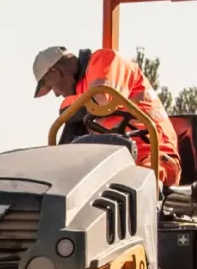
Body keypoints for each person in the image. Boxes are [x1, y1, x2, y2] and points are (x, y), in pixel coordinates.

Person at [32, 45, 182, 186]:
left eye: (51, 87)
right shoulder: (82, 91)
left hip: (156, 158)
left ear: (55, 71)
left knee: (134, 186)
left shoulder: (104, 59)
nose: (57, 94)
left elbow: (101, 100)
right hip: (121, 163)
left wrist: (66, 106)